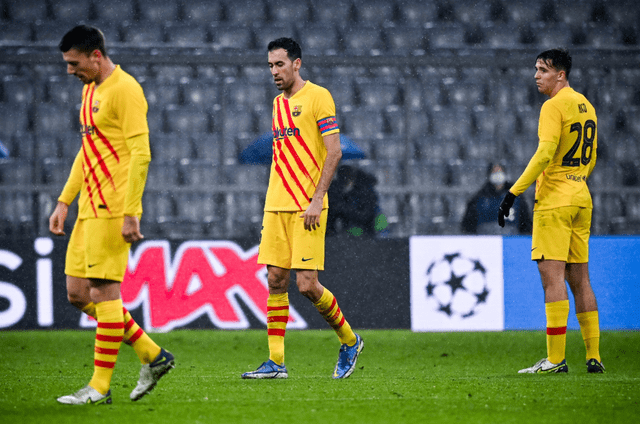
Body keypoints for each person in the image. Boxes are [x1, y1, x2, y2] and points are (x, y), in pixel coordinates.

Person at [49, 25, 175, 405]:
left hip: (113, 206)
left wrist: (131, 211)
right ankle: (153, 355)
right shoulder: (89, 92)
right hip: (88, 207)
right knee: (77, 293)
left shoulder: (125, 90)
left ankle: (100, 387)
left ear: (96, 56)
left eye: (74, 63)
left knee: (104, 293)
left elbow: (142, 153)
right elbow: (87, 152)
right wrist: (64, 201)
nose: (69, 71)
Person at [241, 38, 364, 380]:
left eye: (279, 64)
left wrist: (316, 198)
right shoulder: (278, 104)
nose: (274, 72)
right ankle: (276, 362)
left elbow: (334, 151)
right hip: (276, 204)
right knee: (275, 280)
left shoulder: (319, 96)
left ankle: (350, 340)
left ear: (297, 64)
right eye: (270, 66)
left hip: (307, 205)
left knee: (307, 285)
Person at [498, 48, 604, 374]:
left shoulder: (552, 106)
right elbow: (593, 154)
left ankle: (555, 359)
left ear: (561, 75)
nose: (536, 75)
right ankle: (594, 356)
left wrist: (513, 193)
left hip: (556, 201)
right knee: (581, 279)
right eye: (536, 69)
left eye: (543, 70)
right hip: (581, 197)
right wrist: (577, 181)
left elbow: (544, 154)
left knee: (552, 279)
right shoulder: (586, 105)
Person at [461, 163, 532, 235]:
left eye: (500, 172)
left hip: (510, 239)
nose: (498, 175)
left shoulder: (517, 198)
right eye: (494, 172)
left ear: (505, 174)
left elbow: (525, 223)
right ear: (489, 175)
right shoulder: (478, 198)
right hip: (485, 239)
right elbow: (468, 225)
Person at [327, 164, 380, 237]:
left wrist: (343, 209)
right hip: (358, 232)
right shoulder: (341, 189)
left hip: (363, 232)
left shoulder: (363, 191)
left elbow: (365, 215)